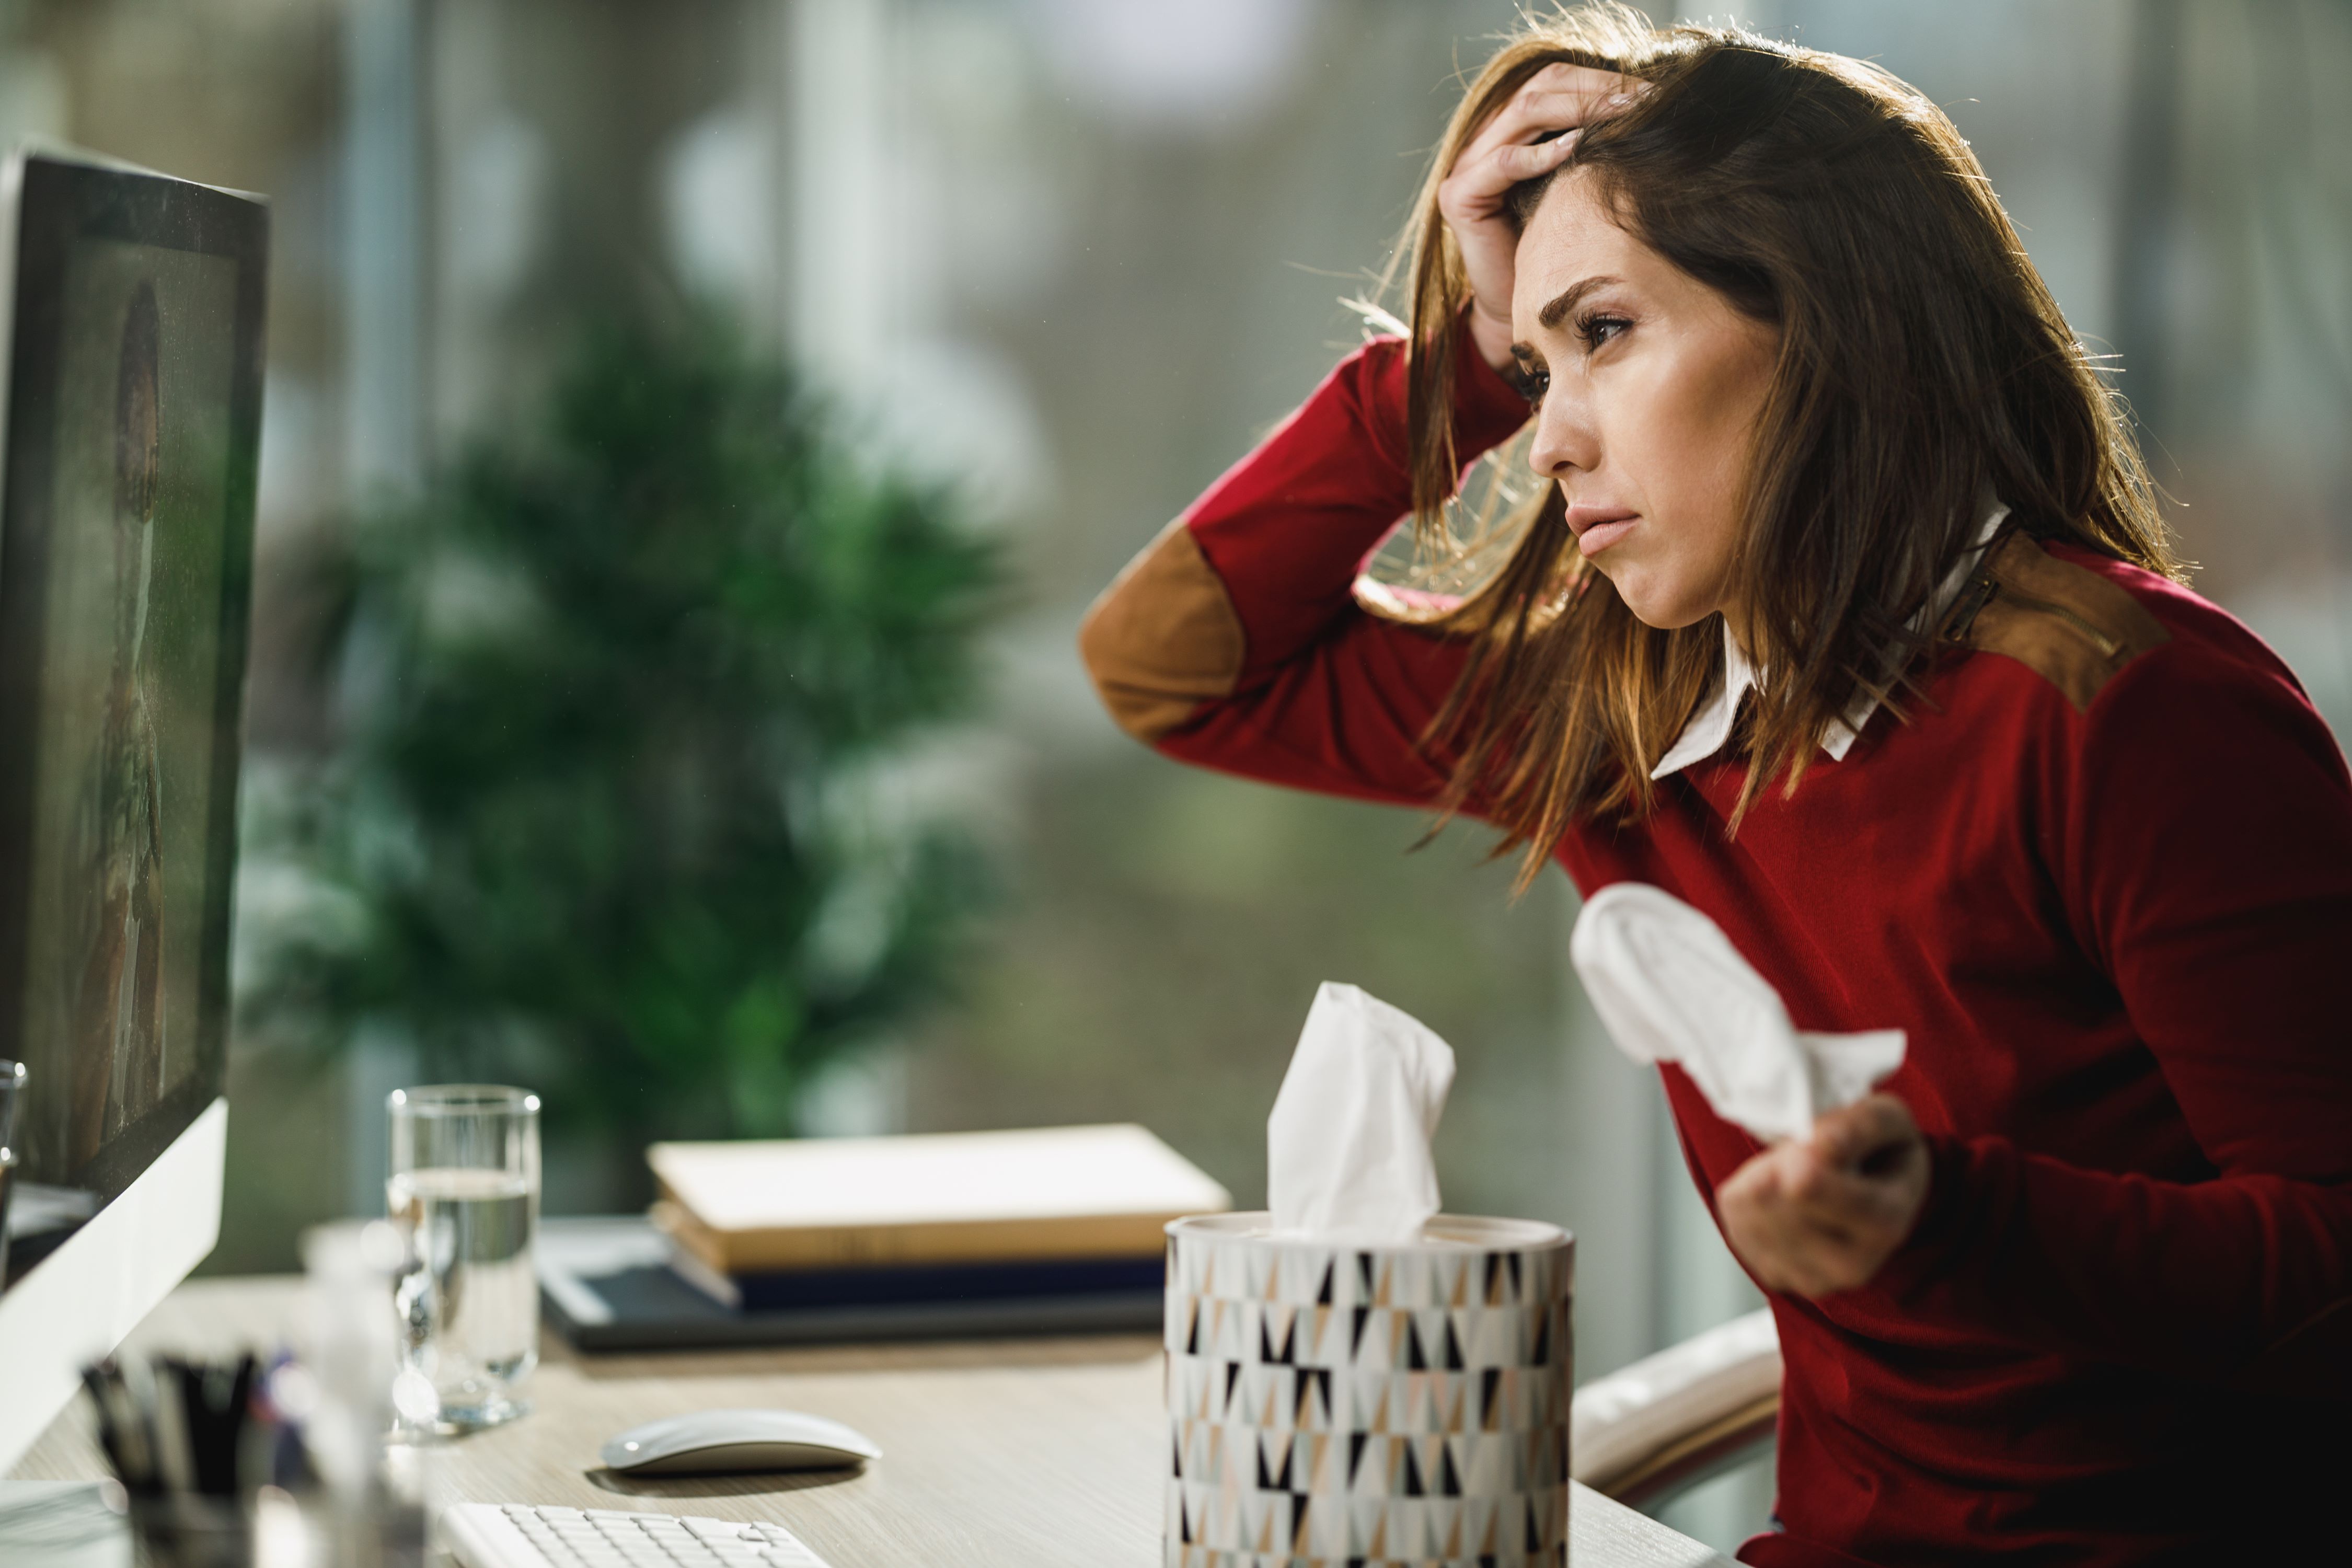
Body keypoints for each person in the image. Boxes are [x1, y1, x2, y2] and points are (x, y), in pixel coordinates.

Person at [1078, 8, 2351, 1565]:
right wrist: (1460, 360)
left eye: (1602, 335)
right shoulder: (1630, 713)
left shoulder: (2134, 709)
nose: (1544, 440)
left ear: (1827, 324)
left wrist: (1942, 1221)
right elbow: (1169, 670)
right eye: (1532, 362)